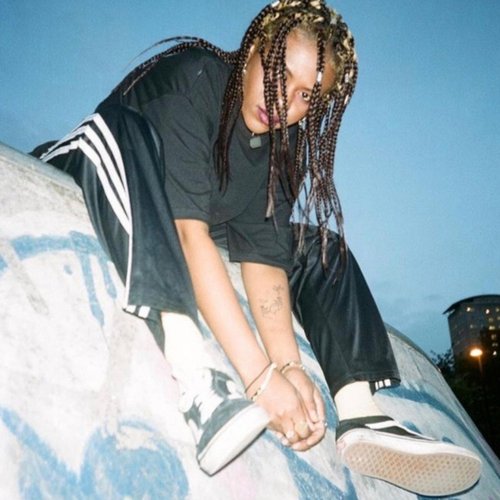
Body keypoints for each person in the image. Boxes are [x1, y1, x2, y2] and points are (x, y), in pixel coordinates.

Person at [34, 0, 481, 495]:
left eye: (305, 95)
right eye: (278, 73)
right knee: (126, 130)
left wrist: (289, 368)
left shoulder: (285, 149)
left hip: (187, 219)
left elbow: (264, 259)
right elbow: (189, 236)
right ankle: (196, 378)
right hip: (99, 168)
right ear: (252, 51)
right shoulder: (194, 79)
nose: (282, 101)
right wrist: (260, 379)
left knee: (319, 246)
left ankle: (361, 412)